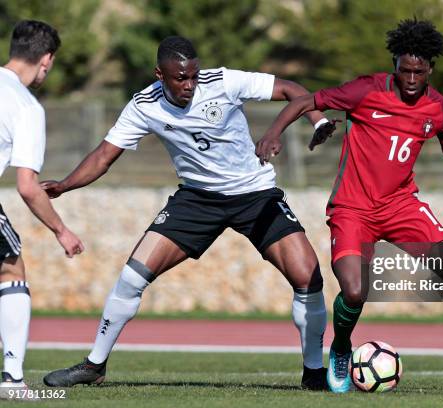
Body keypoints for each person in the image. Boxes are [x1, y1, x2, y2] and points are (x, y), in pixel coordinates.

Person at [256, 18, 443, 393]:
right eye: (405, 70)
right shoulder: (365, 91)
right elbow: (306, 101)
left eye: (419, 72)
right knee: (355, 291)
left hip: (401, 207)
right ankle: (341, 347)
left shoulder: (436, 108)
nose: (411, 78)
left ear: (430, 70)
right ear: (395, 64)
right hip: (352, 209)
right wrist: (273, 133)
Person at [42, 36, 334, 390]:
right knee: (133, 276)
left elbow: (292, 89)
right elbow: (104, 156)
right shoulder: (143, 105)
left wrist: (317, 121)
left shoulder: (223, 82)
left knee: (308, 276)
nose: (190, 85)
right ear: (159, 75)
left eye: (194, 76)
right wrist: (66, 184)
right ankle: (94, 365)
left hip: (255, 194)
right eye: (180, 78)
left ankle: (314, 373)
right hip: (196, 200)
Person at [0, 20, 84, 400]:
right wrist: (61, 231)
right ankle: (12, 378)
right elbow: (27, 187)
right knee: (10, 267)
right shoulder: (25, 106)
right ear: (46, 60)